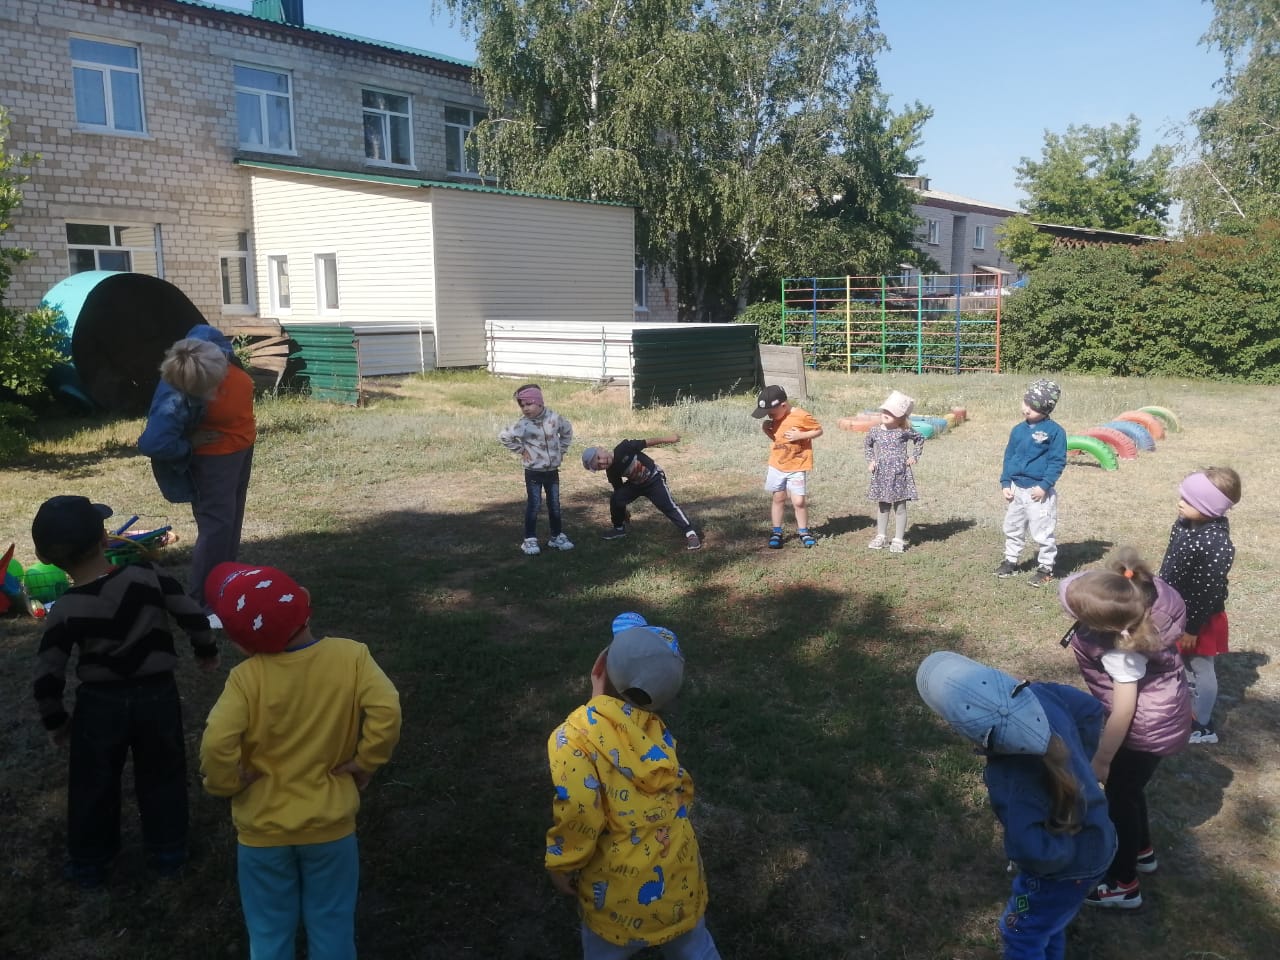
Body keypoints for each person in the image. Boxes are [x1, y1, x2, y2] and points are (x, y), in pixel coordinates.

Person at [200, 562, 402, 960]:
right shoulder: (352, 657)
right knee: (332, 923)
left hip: (262, 834)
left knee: (269, 931)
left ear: (241, 645)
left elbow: (216, 741)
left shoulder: (245, 678)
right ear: (306, 600)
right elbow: (387, 709)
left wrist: (225, 783)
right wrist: (366, 760)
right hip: (332, 828)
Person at [30, 495, 219, 888]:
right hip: (157, 695)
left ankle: (89, 863)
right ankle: (168, 851)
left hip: (99, 705)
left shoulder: (65, 609)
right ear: (104, 538)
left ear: (47, 558)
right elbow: (190, 614)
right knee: (164, 772)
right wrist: (206, 650)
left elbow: (48, 673)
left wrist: (56, 720)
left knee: (92, 783)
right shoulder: (149, 576)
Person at [917, 651, 1115, 959]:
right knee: (1049, 922)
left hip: (1064, 872)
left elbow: (1036, 851)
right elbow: (1090, 710)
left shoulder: (1007, 778)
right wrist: (1081, 765)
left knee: (1022, 930)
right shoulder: (1041, 693)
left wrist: (1059, 848)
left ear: (978, 739)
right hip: (1101, 838)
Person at [545, 623, 721, 960]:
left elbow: (580, 810)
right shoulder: (658, 732)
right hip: (680, 878)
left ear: (597, 669)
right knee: (696, 949)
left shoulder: (572, 737)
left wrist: (562, 863)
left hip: (616, 896)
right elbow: (681, 789)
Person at [1059, 548, 1191, 909]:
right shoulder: (1139, 593)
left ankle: (1123, 884)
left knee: (1118, 798)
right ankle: (1143, 851)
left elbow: (1124, 710)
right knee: (1131, 790)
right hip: (1162, 717)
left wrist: (1103, 757)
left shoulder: (1122, 651)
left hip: (1143, 730)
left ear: (1107, 627)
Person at [138, 324, 256, 609]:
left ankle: (225, 582)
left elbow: (203, 328)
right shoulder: (175, 394)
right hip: (213, 459)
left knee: (230, 521)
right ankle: (203, 602)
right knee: (217, 527)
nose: (215, 393)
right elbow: (153, 442)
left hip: (241, 448)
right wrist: (188, 444)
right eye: (209, 390)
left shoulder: (207, 343)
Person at [1158, 466, 1241, 745]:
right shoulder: (1183, 524)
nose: (1180, 502)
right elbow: (1170, 563)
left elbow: (1207, 591)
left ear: (1209, 507)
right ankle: (1183, 708)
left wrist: (1192, 628)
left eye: (1190, 500)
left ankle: (1203, 724)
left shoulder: (1216, 543)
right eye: (1183, 496)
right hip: (1176, 610)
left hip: (1199, 619)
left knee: (1201, 668)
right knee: (1179, 662)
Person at [995, 379, 1066, 587]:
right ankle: (1010, 561)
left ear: (1046, 410)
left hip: (1038, 491)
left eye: (1034, 407)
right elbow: (1009, 456)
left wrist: (1044, 485)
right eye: (1027, 403)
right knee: (1013, 526)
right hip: (1017, 488)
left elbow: (1057, 461)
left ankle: (1046, 567)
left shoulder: (1055, 432)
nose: (1027, 409)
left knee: (1042, 531)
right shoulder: (1018, 430)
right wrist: (1006, 482)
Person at [581, 436, 701, 551]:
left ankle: (690, 532)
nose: (602, 462)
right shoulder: (611, 472)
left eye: (598, 458)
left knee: (667, 506)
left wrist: (669, 439)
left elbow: (647, 442)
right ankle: (619, 529)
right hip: (636, 485)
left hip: (653, 478)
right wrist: (623, 511)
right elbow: (618, 489)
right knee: (616, 499)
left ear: (601, 449)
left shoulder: (624, 447)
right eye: (599, 466)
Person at [498, 383, 574, 556]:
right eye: (522, 405)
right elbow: (504, 436)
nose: (525, 408)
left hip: (552, 471)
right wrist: (521, 450)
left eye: (529, 404)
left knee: (554, 505)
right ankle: (530, 539)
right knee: (534, 504)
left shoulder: (554, 418)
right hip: (533, 472)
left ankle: (556, 536)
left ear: (539, 403)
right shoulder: (523, 424)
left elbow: (567, 431)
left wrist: (561, 450)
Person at [752, 384, 823, 549]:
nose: (769, 416)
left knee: (798, 501)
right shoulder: (777, 417)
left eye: (771, 412)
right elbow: (779, 441)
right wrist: (767, 431)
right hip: (777, 465)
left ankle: (804, 532)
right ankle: (776, 531)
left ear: (783, 405)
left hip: (797, 465)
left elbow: (818, 430)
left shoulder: (802, 416)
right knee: (778, 498)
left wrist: (801, 435)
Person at [864, 390, 925, 553]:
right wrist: (871, 460)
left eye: (892, 412)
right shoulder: (875, 431)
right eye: (886, 410)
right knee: (883, 505)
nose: (886, 413)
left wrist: (914, 456)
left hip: (900, 474)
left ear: (900, 417)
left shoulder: (903, 431)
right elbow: (868, 445)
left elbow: (920, 439)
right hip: (882, 474)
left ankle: (898, 539)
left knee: (900, 506)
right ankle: (881, 536)